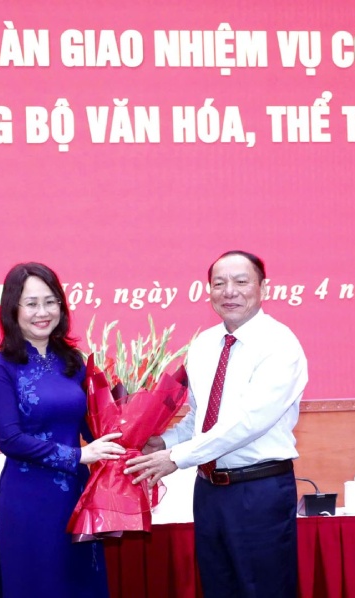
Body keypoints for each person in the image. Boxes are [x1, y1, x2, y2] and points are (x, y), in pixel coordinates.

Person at [124, 250, 309, 598]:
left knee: (264, 590)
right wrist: (162, 442)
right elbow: (201, 417)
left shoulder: (280, 345)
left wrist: (176, 458)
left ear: (263, 288)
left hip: (259, 491)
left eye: (241, 282)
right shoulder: (205, 344)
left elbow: (247, 422)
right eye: (219, 283)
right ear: (208, 291)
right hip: (208, 491)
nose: (230, 291)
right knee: (217, 588)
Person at [0, 262, 125, 598]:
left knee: (78, 584)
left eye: (51, 301)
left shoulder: (74, 361)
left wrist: (129, 437)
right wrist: (79, 455)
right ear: (12, 309)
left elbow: (93, 428)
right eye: (31, 303)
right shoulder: (0, 366)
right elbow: (10, 439)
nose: (42, 312)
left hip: (77, 497)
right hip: (28, 500)